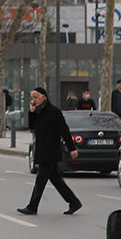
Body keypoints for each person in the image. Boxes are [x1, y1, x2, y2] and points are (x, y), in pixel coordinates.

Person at [18, 86, 83, 216]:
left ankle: (32, 206)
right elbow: (32, 127)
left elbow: (64, 130)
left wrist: (72, 148)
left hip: (50, 151)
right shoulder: (38, 111)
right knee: (57, 180)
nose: (34, 100)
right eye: (33, 98)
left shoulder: (53, 112)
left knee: (40, 180)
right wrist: (31, 112)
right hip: (42, 149)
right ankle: (74, 202)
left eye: (36, 97)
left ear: (44, 97)